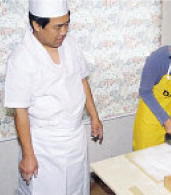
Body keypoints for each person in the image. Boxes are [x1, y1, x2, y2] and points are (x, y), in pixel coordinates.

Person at [4, 0, 103, 194]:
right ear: (36, 25)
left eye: (67, 24)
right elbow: (20, 111)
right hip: (44, 146)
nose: (64, 32)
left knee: (77, 188)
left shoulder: (70, 44)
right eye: (58, 26)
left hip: (75, 139)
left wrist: (94, 116)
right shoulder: (21, 59)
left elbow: (82, 80)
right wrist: (28, 155)